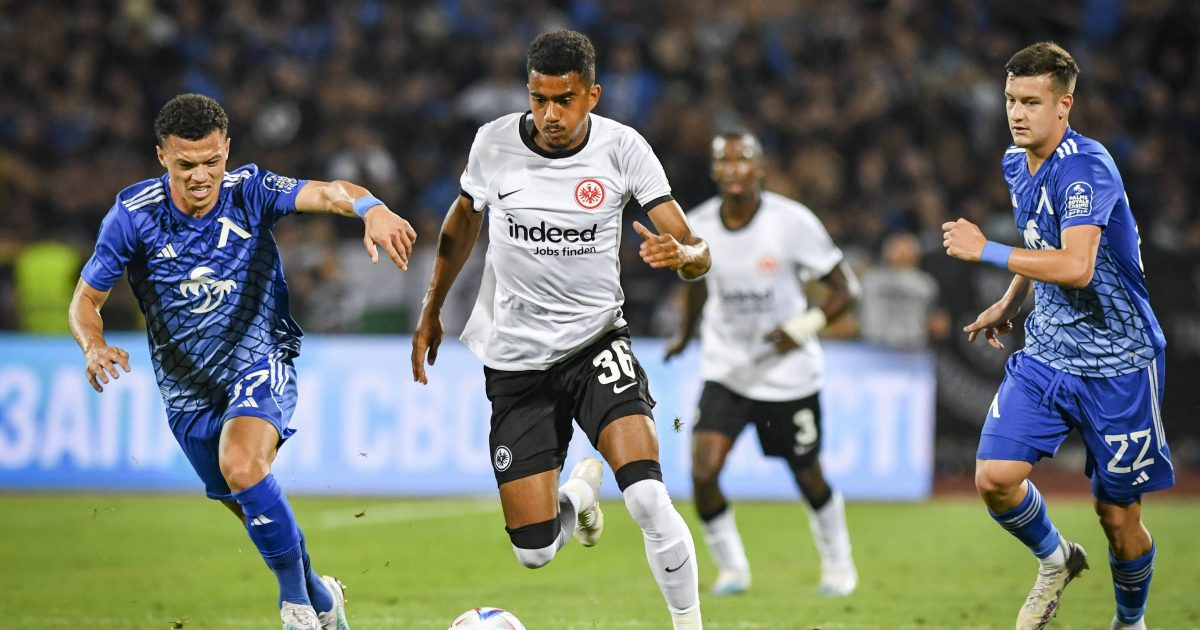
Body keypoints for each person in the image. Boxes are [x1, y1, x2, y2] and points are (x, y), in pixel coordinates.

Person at [68, 93, 417, 630]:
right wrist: (93, 345)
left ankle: (295, 608)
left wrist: (371, 208)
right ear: (161, 156)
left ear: (227, 150)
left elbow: (327, 194)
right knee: (252, 502)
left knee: (243, 465)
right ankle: (324, 601)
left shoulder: (250, 190)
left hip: (260, 357)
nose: (202, 176)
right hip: (187, 392)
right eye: (186, 165)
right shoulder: (132, 217)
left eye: (212, 161)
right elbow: (85, 300)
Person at [410, 30, 708, 630]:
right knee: (535, 550)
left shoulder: (624, 149)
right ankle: (575, 496)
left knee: (648, 496)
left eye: (564, 100)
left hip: (596, 343)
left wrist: (687, 258)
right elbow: (461, 224)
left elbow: (697, 248)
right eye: (538, 99)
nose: (549, 114)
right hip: (516, 361)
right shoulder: (493, 143)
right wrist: (431, 309)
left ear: (592, 95)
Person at [942, 43, 1171, 630]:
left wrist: (984, 251)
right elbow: (1040, 242)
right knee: (994, 479)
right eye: (1010, 101)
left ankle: (1129, 622)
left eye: (1031, 102)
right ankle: (1055, 558)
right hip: (1047, 353)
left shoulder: (1087, 167)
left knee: (1118, 517)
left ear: (1064, 104)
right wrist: (1009, 300)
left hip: (1119, 363)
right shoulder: (1017, 163)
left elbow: (1076, 266)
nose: (1017, 114)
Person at [664, 131, 860, 597]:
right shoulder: (696, 225)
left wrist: (802, 327)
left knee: (807, 474)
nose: (734, 168)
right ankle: (732, 567)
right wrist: (685, 336)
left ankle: (838, 564)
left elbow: (846, 289)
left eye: (743, 159)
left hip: (786, 375)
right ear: (714, 171)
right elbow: (695, 285)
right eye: (724, 161)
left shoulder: (792, 222)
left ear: (760, 168)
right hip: (727, 369)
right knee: (704, 470)